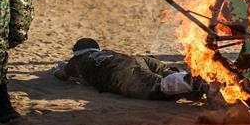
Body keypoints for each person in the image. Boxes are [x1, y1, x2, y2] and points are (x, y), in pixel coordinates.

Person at [52, 38, 207, 100]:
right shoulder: (105, 52)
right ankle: (198, 84)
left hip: (119, 72)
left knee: (158, 86)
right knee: (168, 73)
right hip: (136, 59)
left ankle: (194, 83)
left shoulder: (77, 61)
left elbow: (62, 74)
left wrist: (58, 68)